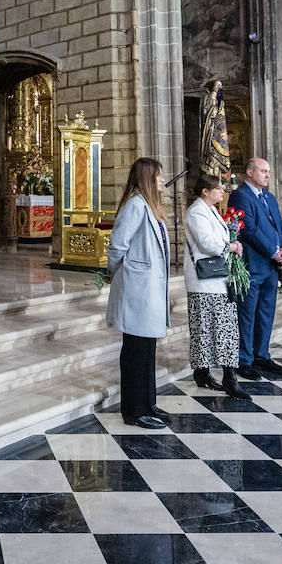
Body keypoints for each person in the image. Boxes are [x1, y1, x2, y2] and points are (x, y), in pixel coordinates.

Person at [106, 157, 172, 429]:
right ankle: (133, 410)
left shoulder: (150, 207)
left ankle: (148, 402)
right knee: (135, 350)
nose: (162, 179)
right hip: (137, 289)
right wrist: (118, 276)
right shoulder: (135, 205)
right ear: (147, 177)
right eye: (158, 175)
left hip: (149, 289)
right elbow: (117, 245)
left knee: (147, 348)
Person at [183, 174, 250, 400]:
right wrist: (231, 246)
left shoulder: (210, 210)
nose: (222, 192)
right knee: (207, 329)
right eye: (218, 188)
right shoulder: (196, 212)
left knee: (224, 329)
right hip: (204, 282)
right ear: (205, 191)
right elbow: (207, 243)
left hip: (218, 280)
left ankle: (211, 373)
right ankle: (220, 376)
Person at [227, 158, 282, 379]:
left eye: (269, 171)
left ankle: (261, 356)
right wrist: (274, 251)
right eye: (263, 171)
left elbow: (281, 225)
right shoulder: (240, 196)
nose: (267, 175)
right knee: (247, 314)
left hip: (271, 266)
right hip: (253, 265)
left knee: (266, 313)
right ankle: (244, 360)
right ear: (250, 172)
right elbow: (249, 230)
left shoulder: (269, 198)